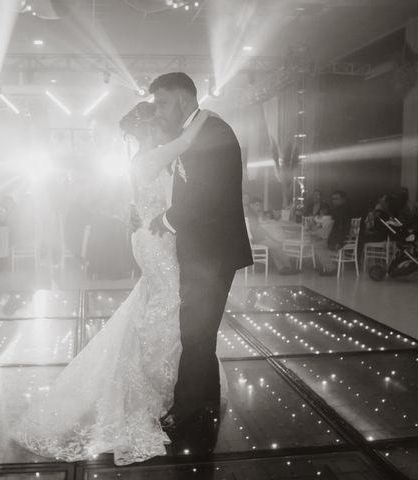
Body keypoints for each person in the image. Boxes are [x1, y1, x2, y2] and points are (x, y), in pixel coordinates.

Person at [12, 93, 218, 464]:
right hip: (156, 243)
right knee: (168, 306)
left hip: (153, 239)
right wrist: (206, 113)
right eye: (159, 122)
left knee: (159, 306)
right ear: (150, 128)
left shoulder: (142, 158)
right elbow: (187, 141)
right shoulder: (152, 155)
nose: (166, 126)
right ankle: (160, 393)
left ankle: (161, 387)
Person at [147, 73, 252, 442]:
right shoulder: (195, 133)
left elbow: (208, 194)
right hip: (201, 250)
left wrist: (168, 219)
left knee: (195, 332)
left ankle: (186, 410)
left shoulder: (215, 133)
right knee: (200, 330)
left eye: (162, 102)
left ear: (183, 99)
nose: (158, 110)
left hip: (213, 252)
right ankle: (207, 398)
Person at [246, 197, 299, 275]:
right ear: (251, 205)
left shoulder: (252, 214)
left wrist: (271, 239)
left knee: (273, 249)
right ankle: (289, 267)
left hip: (255, 239)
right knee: (277, 245)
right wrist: (272, 239)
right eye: (257, 205)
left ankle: (281, 269)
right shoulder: (252, 216)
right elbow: (259, 231)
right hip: (255, 240)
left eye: (260, 205)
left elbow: (259, 230)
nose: (259, 207)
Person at [312, 190, 351, 276]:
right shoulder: (338, 210)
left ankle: (331, 269)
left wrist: (339, 242)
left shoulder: (344, 211)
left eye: (336, 199)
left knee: (318, 246)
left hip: (340, 239)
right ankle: (325, 266)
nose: (334, 201)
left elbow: (344, 229)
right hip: (335, 237)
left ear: (343, 199)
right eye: (333, 199)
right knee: (317, 242)